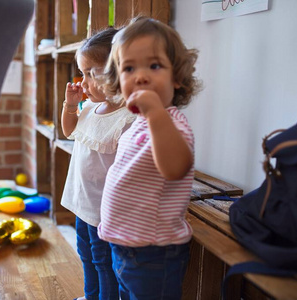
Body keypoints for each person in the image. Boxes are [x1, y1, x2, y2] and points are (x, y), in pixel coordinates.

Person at [97, 17, 201, 299]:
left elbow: (176, 168)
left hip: (155, 254)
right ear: (118, 80)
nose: (140, 76)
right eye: (129, 68)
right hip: (126, 247)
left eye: (154, 66)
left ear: (177, 76)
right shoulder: (139, 124)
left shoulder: (171, 123)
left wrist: (155, 112)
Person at [60, 27, 136, 300]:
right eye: (82, 73)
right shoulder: (90, 106)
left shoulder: (128, 117)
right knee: (86, 255)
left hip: (105, 210)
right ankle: (91, 296)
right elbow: (68, 131)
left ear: (120, 71)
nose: (83, 81)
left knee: (105, 262)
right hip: (82, 202)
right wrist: (70, 105)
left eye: (92, 73)